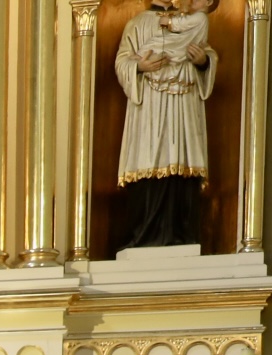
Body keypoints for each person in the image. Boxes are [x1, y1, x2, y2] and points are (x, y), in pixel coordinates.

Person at [115, 0, 218, 251]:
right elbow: (122, 61)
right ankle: (143, 234)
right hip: (149, 108)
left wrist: (203, 61)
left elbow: (207, 53)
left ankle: (182, 233)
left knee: (182, 158)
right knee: (149, 159)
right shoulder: (137, 24)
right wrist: (139, 66)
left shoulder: (190, 20)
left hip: (183, 103)